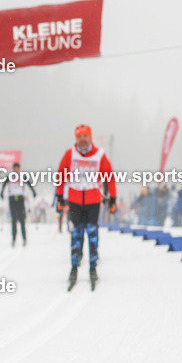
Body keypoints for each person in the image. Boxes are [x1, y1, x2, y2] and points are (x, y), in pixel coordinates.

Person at [55, 124, 116, 289]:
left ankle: (93, 268)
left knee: (92, 234)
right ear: (76, 138)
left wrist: (113, 198)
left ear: (90, 137)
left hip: (93, 201)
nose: (82, 139)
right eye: (80, 137)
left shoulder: (99, 155)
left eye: (85, 136)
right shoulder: (70, 154)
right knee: (76, 234)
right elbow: (61, 175)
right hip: (75, 200)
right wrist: (59, 196)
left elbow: (109, 177)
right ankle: (74, 268)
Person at [0, 162, 36, 246]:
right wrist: (1, 193)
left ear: (19, 168)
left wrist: (33, 192)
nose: (16, 169)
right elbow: (4, 184)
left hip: (20, 198)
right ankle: (13, 239)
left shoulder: (22, 176)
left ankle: (24, 239)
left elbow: (29, 183)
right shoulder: (9, 176)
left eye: (17, 168)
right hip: (12, 199)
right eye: (15, 168)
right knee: (14, 220)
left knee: (22, 220)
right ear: (13, 168)